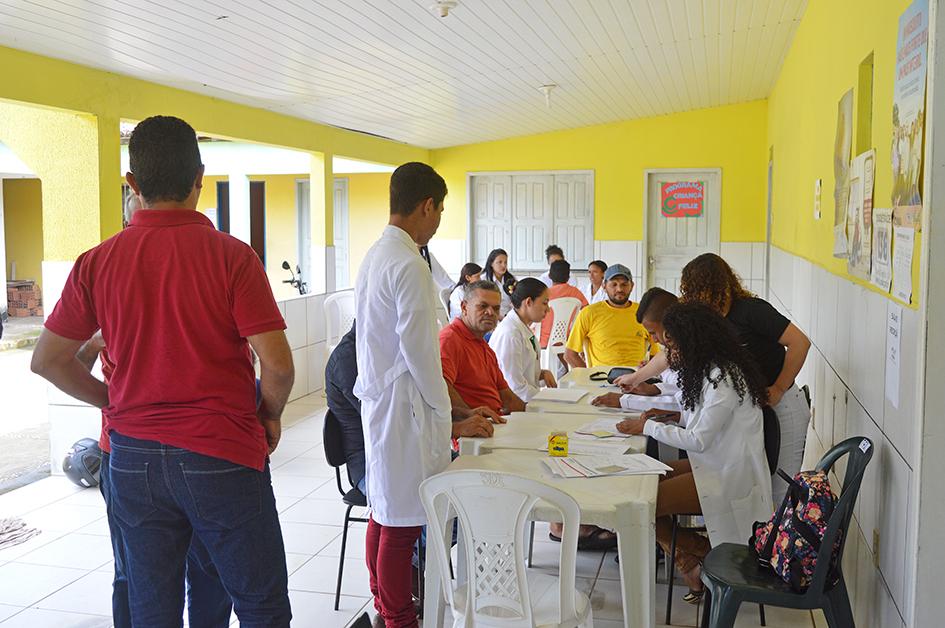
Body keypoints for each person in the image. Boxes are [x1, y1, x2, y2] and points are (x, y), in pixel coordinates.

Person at [31, 115, 293, 626]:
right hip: (222, 454)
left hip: (132, 461)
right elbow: (278, 366)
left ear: (133, 184)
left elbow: (47, 360)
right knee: (260, 604)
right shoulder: (233, 258)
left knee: (151, 610)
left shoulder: (97, 262)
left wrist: (113, 401)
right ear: (200, 178)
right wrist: (269, 414)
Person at [73, 193, 232, 628]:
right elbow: (64, 360)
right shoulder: (106, 273)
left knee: (207, 567)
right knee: (135, 575)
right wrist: (99, 357)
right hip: (126, 448)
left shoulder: (205, 270)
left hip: (196, 445)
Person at [353, 162, 490, 628]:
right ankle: (398, 617)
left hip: (385, 400)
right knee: (403, 520)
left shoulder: (377, 254)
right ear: (426, 205)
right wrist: (446, 411)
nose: (438, 220)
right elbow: (420, 353)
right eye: (440, 210)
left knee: (386, 510)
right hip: (406, 403)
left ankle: (381, 601)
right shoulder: (408, 262)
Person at [603, 303, 773, 602]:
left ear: (693, 342)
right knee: (642, 479)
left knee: (640, 505)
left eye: (672, 345)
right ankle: (690, 559)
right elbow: (701, 420)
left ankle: (700, 553)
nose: (670, 354)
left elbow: (699, 439)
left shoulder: (724, 379)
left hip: (729, 476)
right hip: (713, 464)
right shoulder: (711, 370)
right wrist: (670, 417)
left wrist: (646, 427)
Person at [614, 253, 811, 501]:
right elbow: (671, 353)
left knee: (778, 488)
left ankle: (778, 538)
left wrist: (779, 387)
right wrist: (636, 377)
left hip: (782, 403)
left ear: (718, 287)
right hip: (757, 406)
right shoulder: (709, 321)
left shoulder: (751, 311)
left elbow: (800, 343)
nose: (694, 299)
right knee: (761, 485)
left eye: (698, 291)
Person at [440, 280, 527, 416]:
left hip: (495, 424)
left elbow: (507, 397)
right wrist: (470, 416)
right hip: (474, 432)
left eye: (496, 308)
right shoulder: (449, 340)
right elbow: (440, 386)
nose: (490, 312)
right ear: (464, 308)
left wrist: (535, 414)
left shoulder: (483, 345)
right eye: (483, 306)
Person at [563, 263, 656, 368]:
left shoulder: (644, 313)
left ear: (632, 286)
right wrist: (587, 376)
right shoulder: (589, 313)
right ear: (604, 286)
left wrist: (646, 374)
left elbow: (656, 355)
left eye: (624, 284)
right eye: (614, 284)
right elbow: (570, 355)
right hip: (602, 379)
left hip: (637, 378)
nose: (619, 289)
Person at [488, 278, 557, 402]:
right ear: (529, 302)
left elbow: (523, 369)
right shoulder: (510, 334)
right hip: (513, 405)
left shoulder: (522, 327)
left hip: (525, 399)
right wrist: (548, 401)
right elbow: (514, 387)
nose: (548, 309)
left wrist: (541, 373)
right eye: (544, 303)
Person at [539, 259, 587, 348]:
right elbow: (587, 311)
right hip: (566, 339)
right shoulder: (576, 293)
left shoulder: (544, 294)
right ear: (568, 277)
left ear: (549, 275)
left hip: (544, 340)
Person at [483, 248, 516, 318]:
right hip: (490, 317)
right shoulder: (484, 279)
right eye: (500, 262)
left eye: (505, 262)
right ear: (491, 263)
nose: (503, 265)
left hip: (509, 317)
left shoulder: (511, 279)